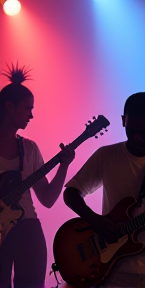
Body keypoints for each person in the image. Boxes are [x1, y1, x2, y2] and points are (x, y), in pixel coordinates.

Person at [63, 92, 145, 288]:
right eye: (131, 130)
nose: (137, 138)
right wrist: (96, 221)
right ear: (123, 120)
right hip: (112, 271)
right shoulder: (106, 155)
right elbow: (71, 192)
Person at [0, 63, 75, 288]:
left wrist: (64, 165)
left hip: (28, 228)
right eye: (27, 108)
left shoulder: (30, 149)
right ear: (10, 107)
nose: (31, 115)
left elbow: (48, 199)